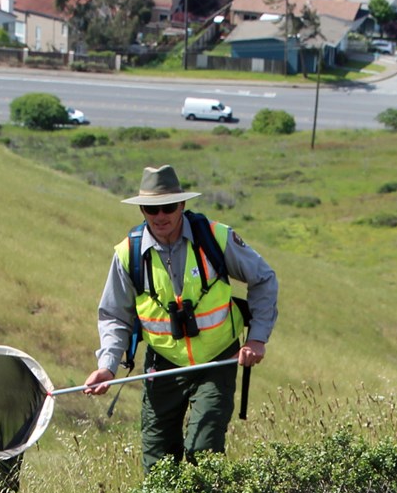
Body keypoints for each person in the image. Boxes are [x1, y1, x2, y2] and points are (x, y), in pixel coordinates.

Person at [83, 165, 278, 470]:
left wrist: (256, 339)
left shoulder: (216, 237)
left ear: (182, 205)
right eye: (151, 209)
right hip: (162, 366)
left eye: (168, 207)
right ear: (142, 210)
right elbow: (114, 315)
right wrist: (107, 367)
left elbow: (264, 279)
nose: (160, 216)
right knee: (158, 465)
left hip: (217, 362)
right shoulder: (127, 254)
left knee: (204, 452)